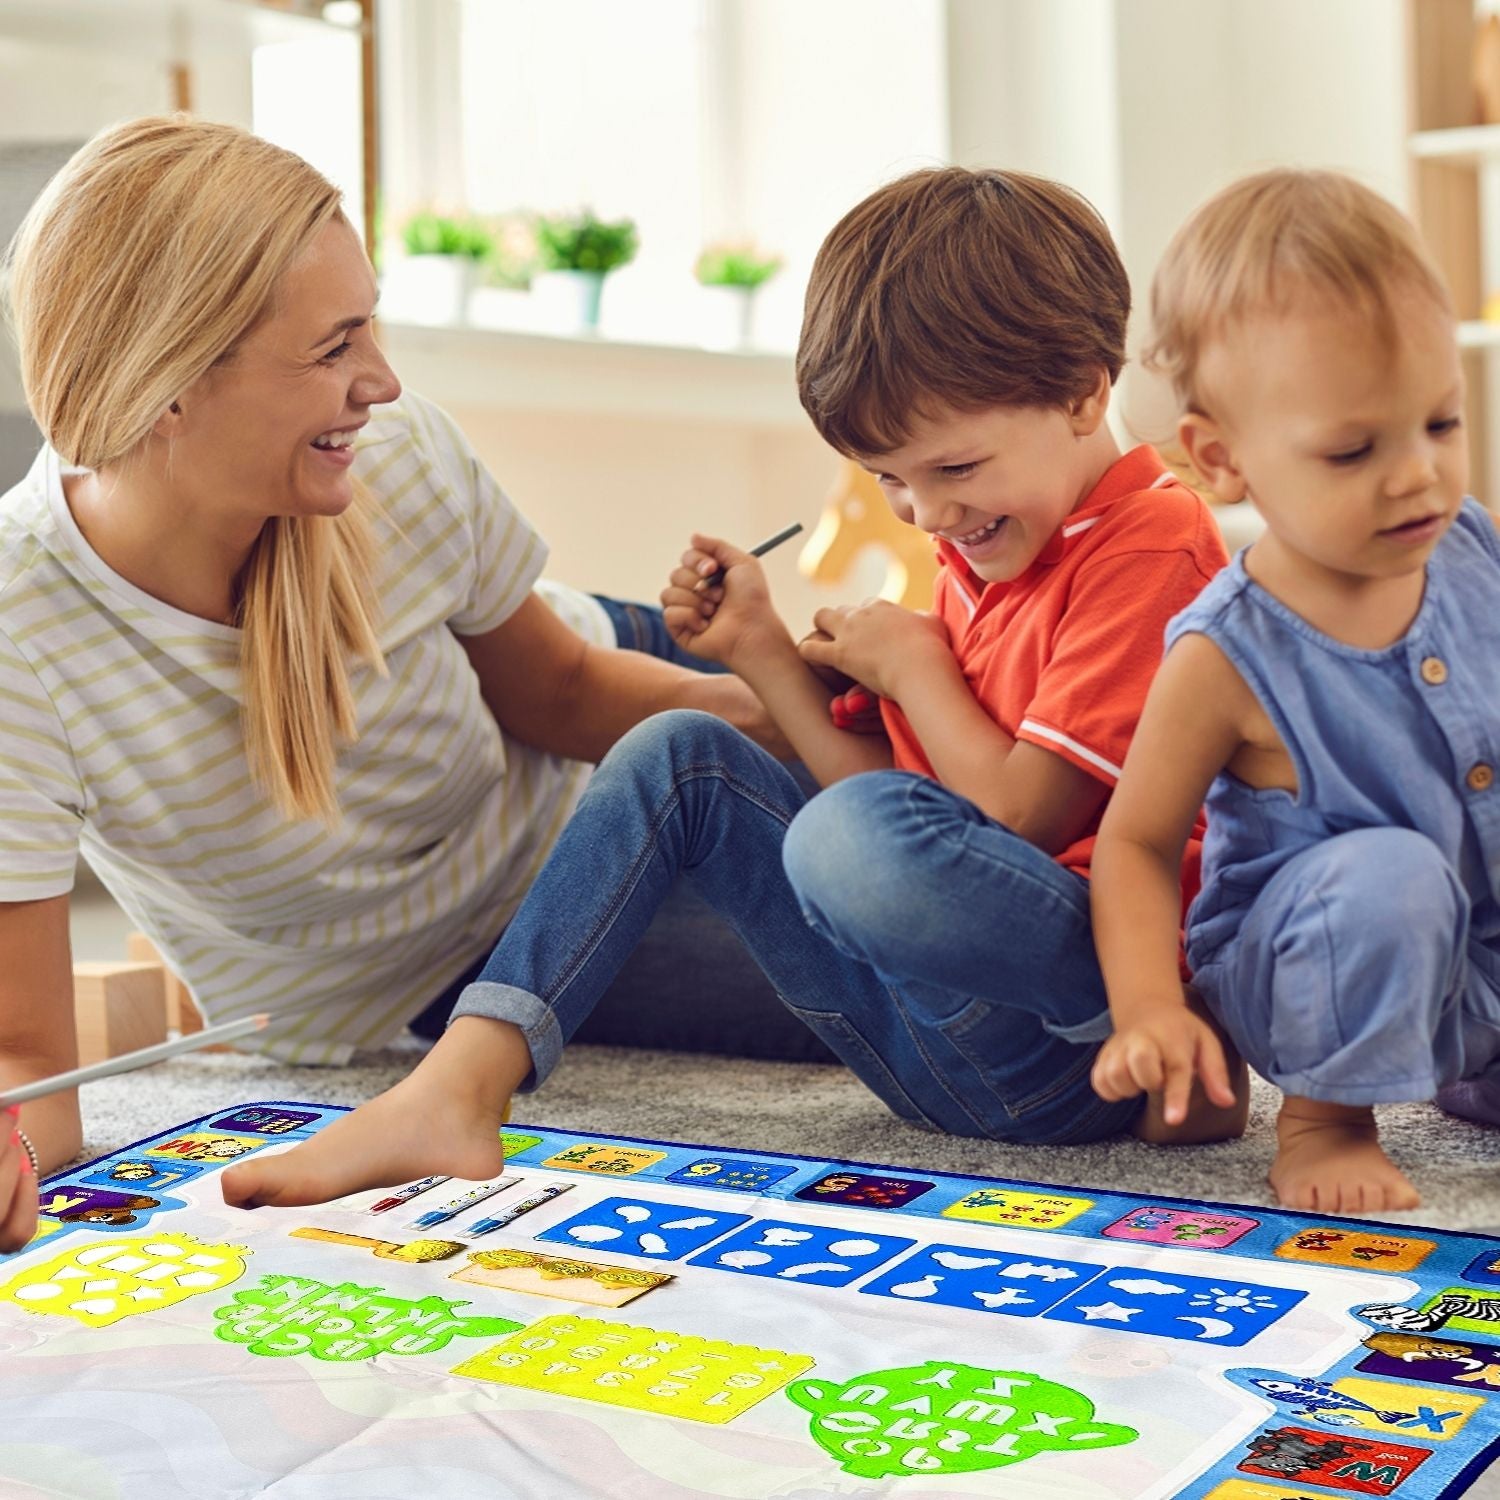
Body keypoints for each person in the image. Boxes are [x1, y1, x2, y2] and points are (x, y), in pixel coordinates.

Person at [224, 165, 1236, 1213]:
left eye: (952, 471)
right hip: (927, 1045)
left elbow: (1020, 816)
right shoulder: (990, 537)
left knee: (855, 833)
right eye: (890, 482)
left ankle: (1183, 1062)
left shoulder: (1150, 545)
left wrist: (919, 667)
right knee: (682, 751)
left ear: (1082, 390)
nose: (926, 518)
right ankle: (459, 1085)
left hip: (1084, 1049)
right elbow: (885, 801)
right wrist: (757, 650)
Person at [0, 116, 788, 1253]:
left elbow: (560, 690)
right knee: (928, 975)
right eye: (334, 348)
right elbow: (27, 1058)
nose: (383, 380)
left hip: (593, 699)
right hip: (467, 947)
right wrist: (14, 1150)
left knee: (970, 726)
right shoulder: (23, 632)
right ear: (166, 385)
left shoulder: (390, 453)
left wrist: (798, 719)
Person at [1089, 167, 1494, 1214]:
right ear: (1223, 462)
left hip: (1473, 962)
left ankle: (1462, 1065)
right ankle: (1328, 1121)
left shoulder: (1473, 547)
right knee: (1391, 878)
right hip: (1311, 965)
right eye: (1356, 449)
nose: (1417, 475)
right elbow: (1134, 843)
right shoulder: (1227, 652)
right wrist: (1147, 1009)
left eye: (1442, 425)